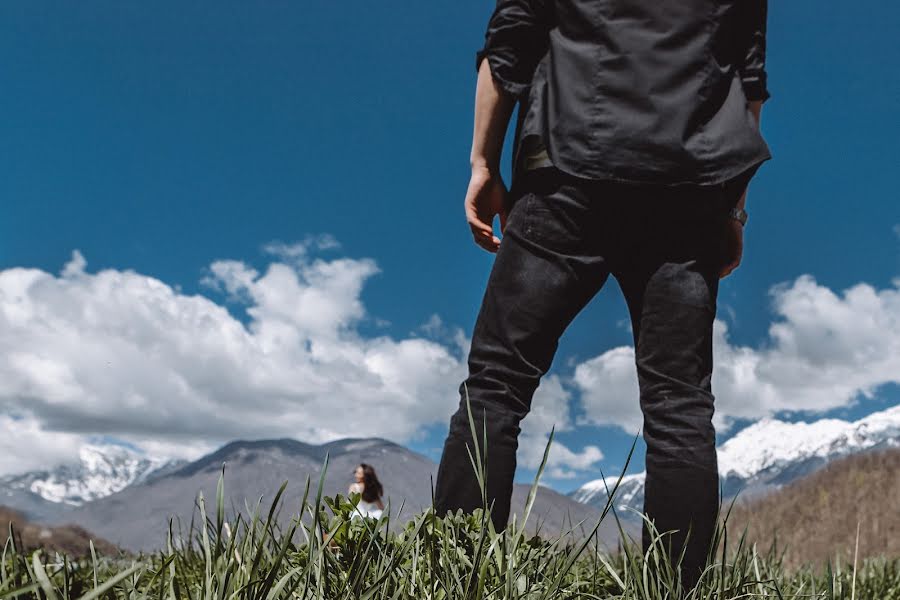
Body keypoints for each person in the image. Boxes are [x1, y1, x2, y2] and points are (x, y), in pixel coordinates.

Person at [433, 0, 771, 591]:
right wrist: (733, 212)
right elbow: (749, 85)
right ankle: (674, 591)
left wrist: (483, 163)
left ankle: (454, 581)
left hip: (569, 172)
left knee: (496, 385)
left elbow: (508, 48)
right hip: (688, 192)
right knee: (679, 407)